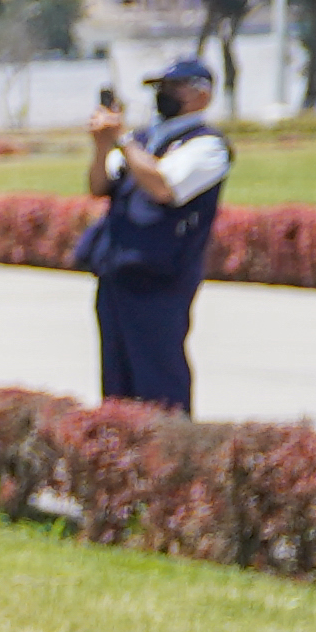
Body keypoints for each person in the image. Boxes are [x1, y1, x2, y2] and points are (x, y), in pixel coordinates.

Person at [82, 53, 232, 412]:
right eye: (161, 88)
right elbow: (99, 185)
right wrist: (103, 145)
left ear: (202, 95)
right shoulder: (144, 139)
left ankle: (170, 452)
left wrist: (123, 141)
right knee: (118, 379)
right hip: (119, 271)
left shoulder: (207, 145)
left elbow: (163, 187)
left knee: (159, 375)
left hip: (162, 277)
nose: (164, 95)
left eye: (174, 88)